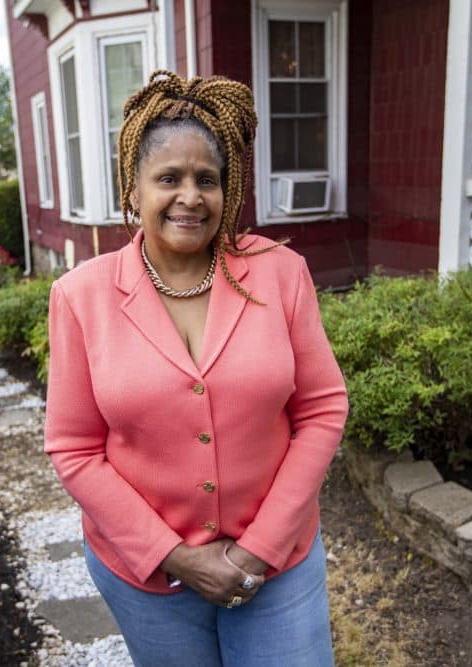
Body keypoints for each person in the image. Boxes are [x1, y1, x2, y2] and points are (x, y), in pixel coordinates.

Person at [44, 69, 348, 666]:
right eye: (168, 178)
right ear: (132, 190)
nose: (190, 196)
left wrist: (257, 549)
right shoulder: (81, 296)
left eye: (206, 179)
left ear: (226, 192)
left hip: (277, 568)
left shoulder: (279, 274)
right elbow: (74, 448)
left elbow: (321, 409)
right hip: (150, 579)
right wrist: (175, 556)